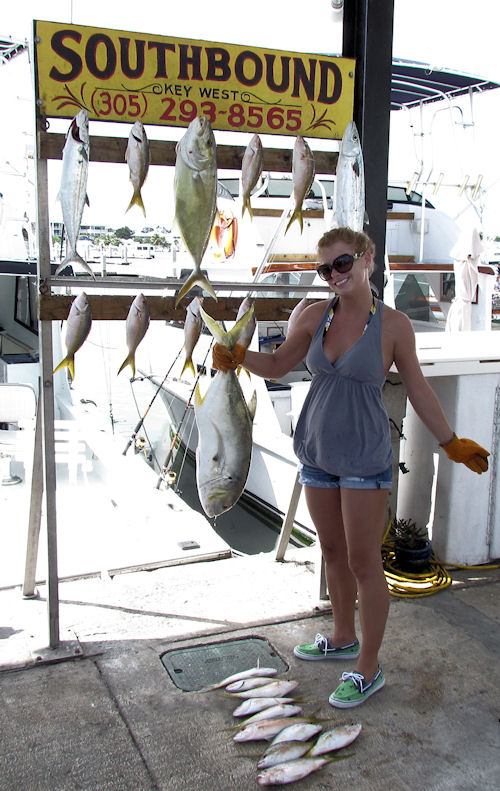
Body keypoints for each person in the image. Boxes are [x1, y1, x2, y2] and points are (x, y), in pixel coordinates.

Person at [212, 227, 490, 708]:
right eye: (325, 269)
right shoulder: (312, 314)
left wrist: (451, 442)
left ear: (367, 259)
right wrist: (237, 358)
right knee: (332, 553)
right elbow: (278, 364)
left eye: (342, 263)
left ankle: (369, 666)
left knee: (365, 563)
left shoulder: (396, 326)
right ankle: (342, 636)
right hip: (317, 453)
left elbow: (418, 389)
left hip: (365, 457)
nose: (333, 275)